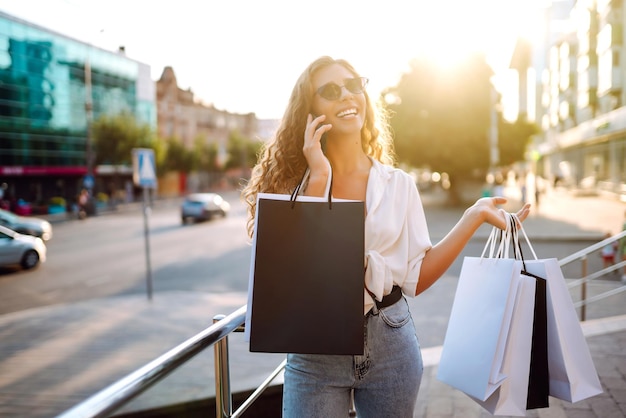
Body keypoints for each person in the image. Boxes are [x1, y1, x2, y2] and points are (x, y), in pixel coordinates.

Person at [241, 56, 531, 417]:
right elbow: (293, 268)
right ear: (310, 109)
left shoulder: (398, 185)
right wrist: (318, 177)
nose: (347, 96)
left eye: (353, 85)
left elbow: (417, 278)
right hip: (313, 353)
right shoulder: (291, 188)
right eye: (330, 91)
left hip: (391, 342)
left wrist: (472, 217)